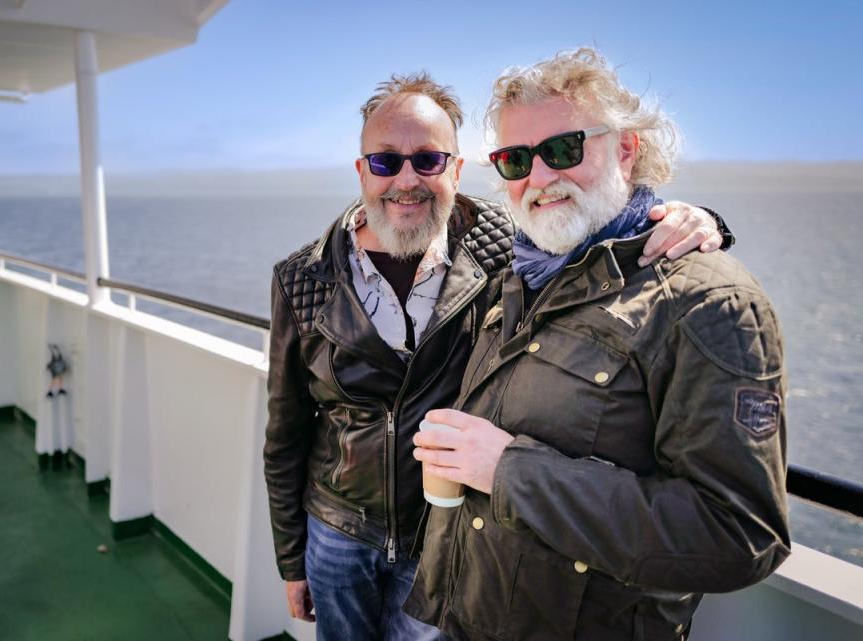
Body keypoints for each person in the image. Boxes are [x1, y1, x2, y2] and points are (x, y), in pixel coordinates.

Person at [264, 72, 729, 641]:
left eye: (429, 160)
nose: (406, 181)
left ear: (458, 169)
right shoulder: (302, 279)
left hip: (444, 532)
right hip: (335, 530)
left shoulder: (506, 248)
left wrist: (693, 219)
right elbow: (285, 432)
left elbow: (594, 235)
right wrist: (293, 560)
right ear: (361, 171)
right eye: (386, 162)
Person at [408, 48, 789, 641]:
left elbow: (738, 536)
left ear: (628, 150)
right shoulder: (520, 275)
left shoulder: (707, 303)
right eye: (514, 160)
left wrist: (509, 471)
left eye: (563, 149)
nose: (538, 177)